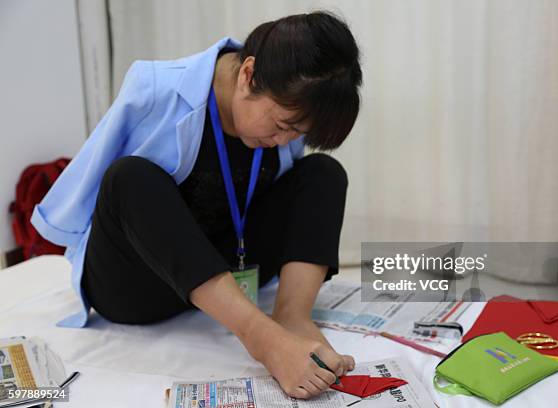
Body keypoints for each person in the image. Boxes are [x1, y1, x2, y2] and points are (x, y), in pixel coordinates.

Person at [31, 11, 362, 399]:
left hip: (224, 265)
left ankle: (291, 318)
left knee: (323, 172)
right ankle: (264, 338)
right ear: (248, 74)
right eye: (283, 124)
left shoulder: (283, 109)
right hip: (138, 281)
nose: (283, 139)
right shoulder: (156, 88)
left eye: (296, 132)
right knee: (130, 177)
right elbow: (99, 183)